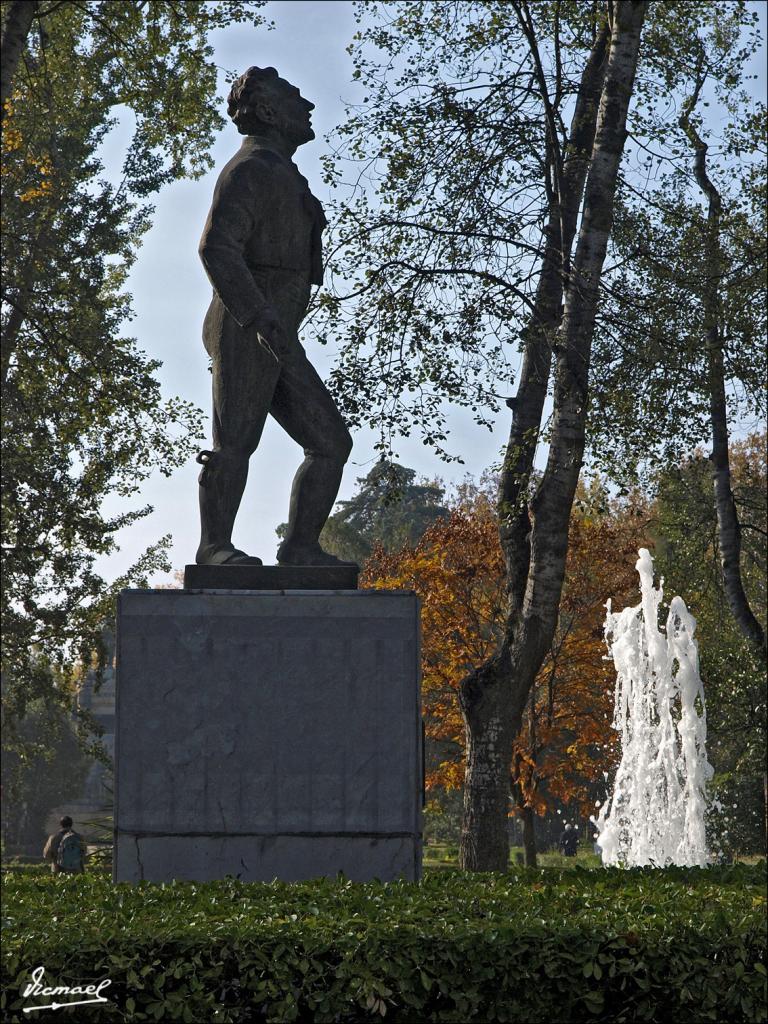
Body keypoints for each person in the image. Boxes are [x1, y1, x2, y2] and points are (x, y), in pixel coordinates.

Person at [196, 65, 354, 567]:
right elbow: (217, 248)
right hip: (246, 324)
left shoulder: (281, 171)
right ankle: (214, 547)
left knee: (330, 441)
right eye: (294, 98)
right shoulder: (251, 169)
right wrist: (259, 318)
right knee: (236, 441)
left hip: (277, 331)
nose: (307, 107)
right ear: (267, 111)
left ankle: (301, 546)